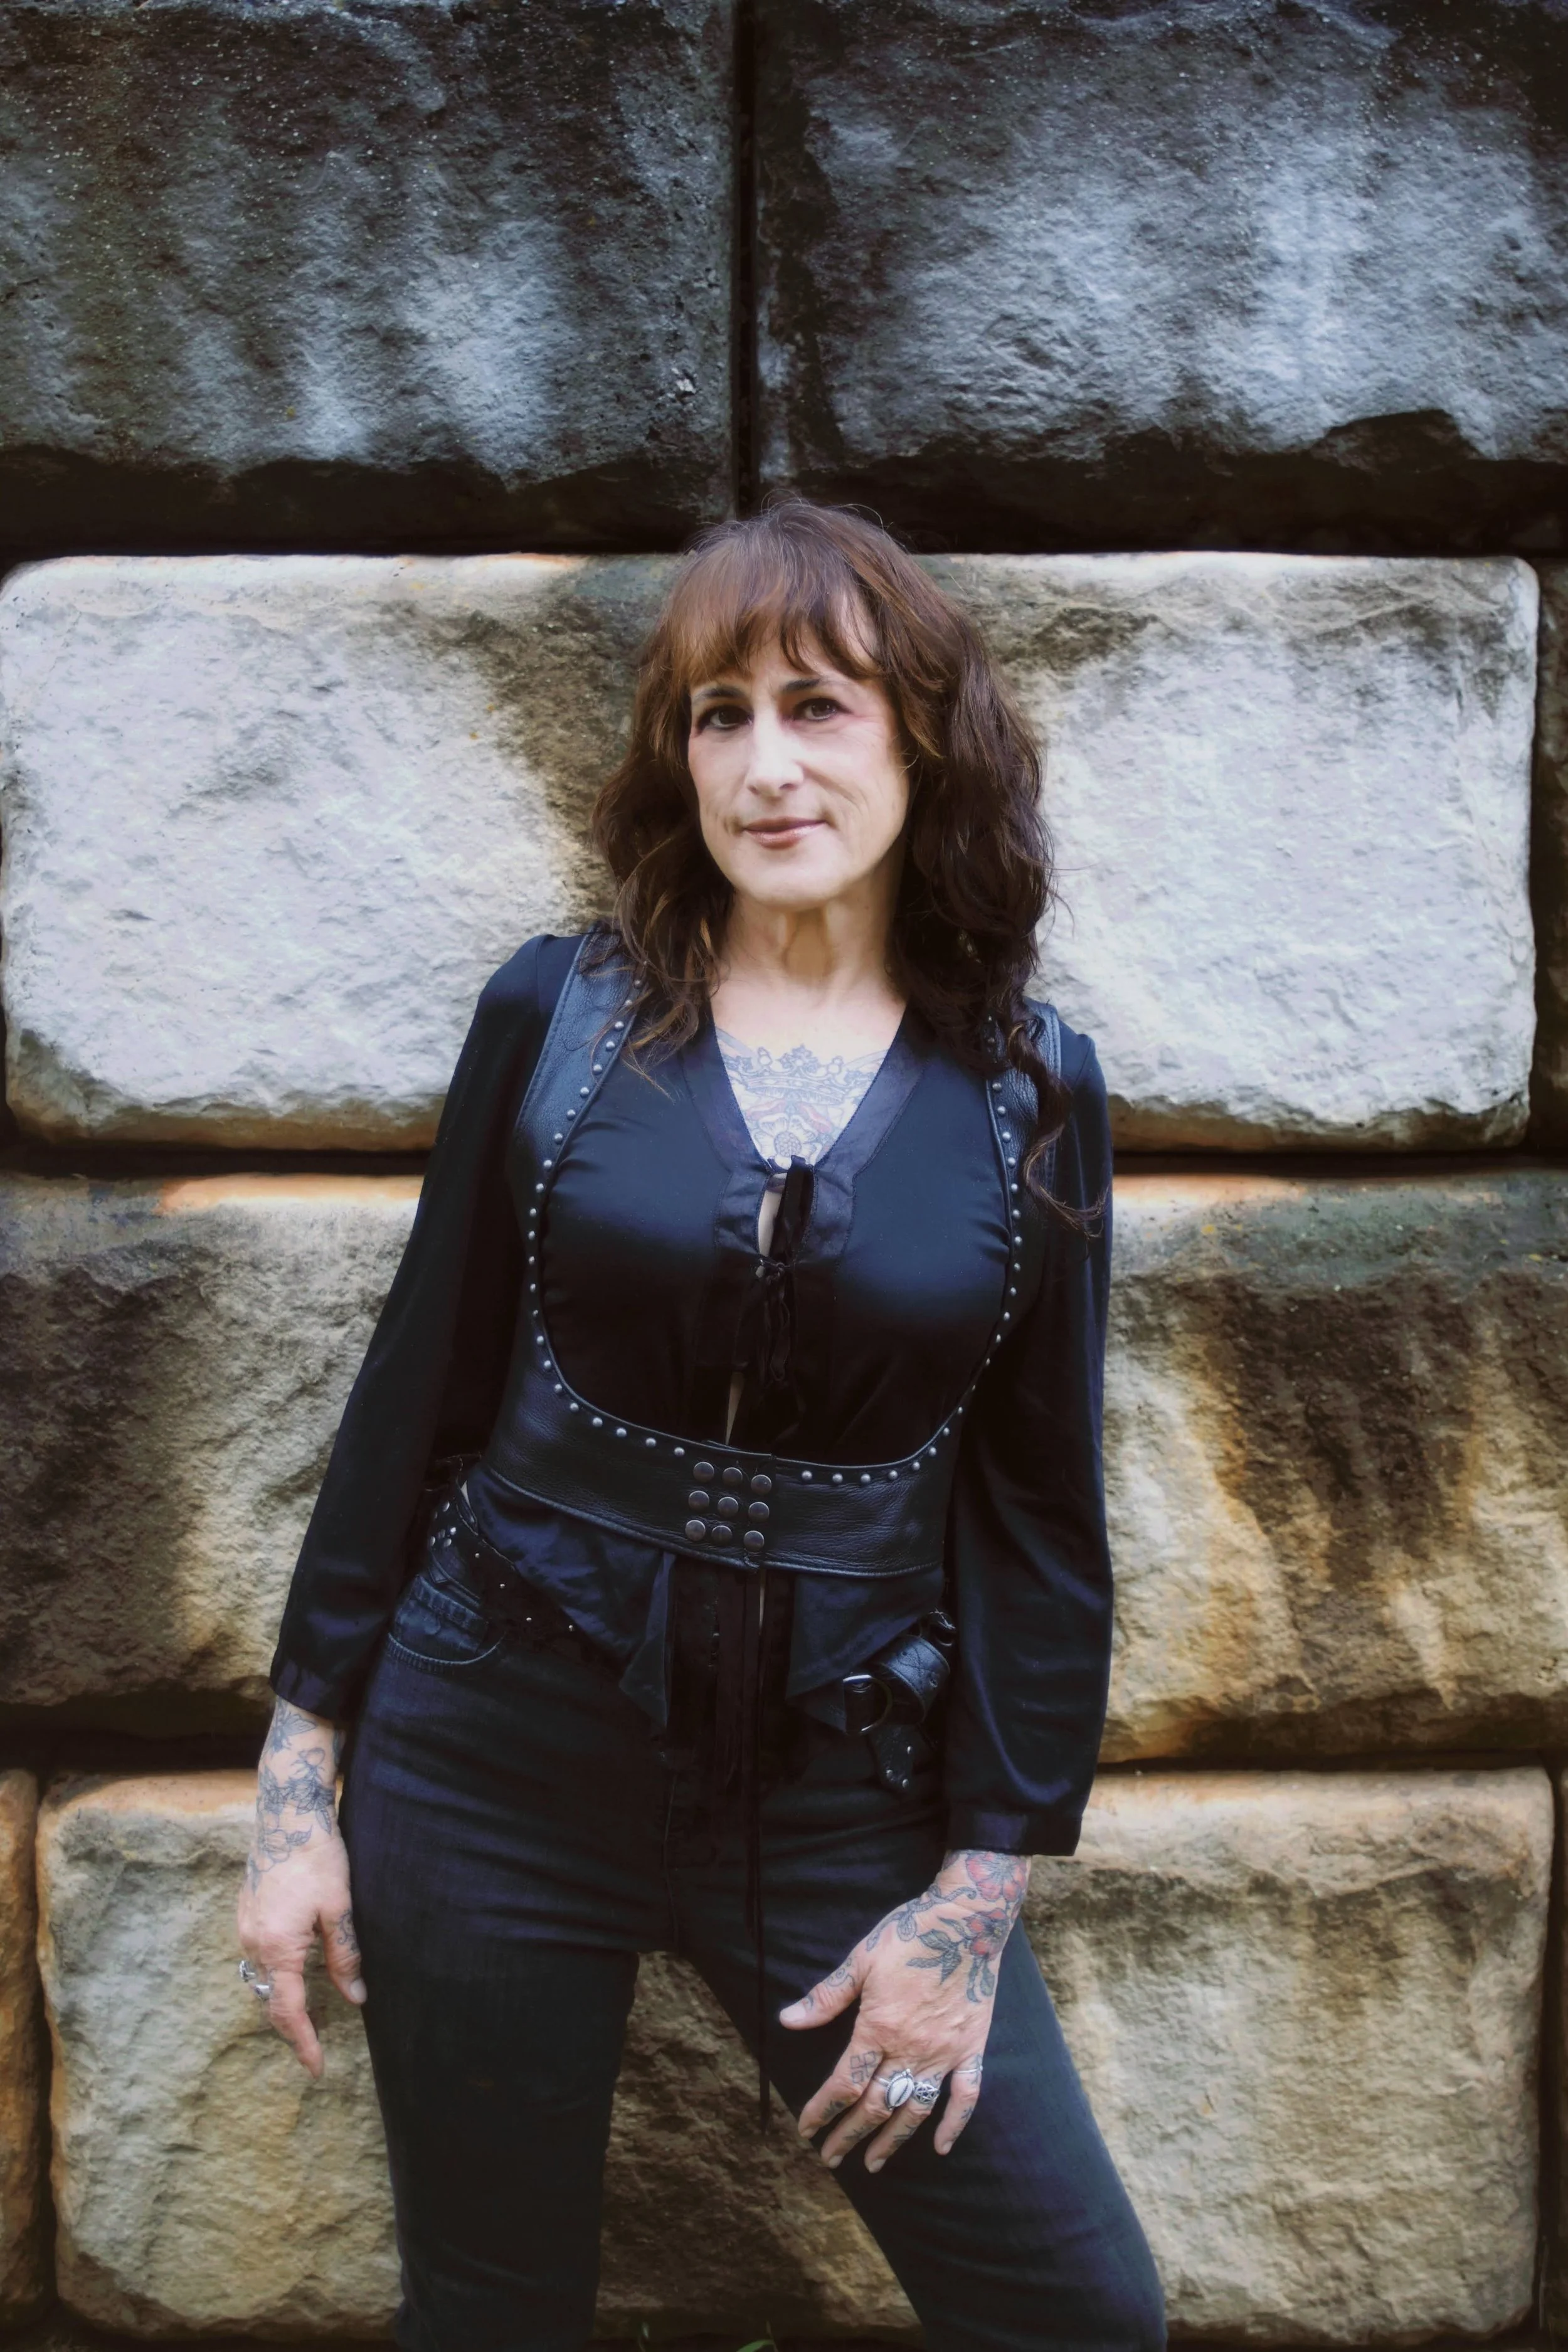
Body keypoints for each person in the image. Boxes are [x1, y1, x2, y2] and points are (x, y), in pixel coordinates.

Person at [236, 499, 1165, 2352]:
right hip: (493, 1755)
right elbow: (416, 1387)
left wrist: (974, 1898)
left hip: (841, 1800)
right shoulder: (561, 1015)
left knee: (1076, 2311)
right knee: (490, 2313)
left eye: (817, 708)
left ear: (921, 740)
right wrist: (293, 1794)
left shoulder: (1030, 1087)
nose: (764, 766)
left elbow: (1039, 1516)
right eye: (717, 715)